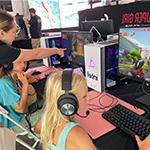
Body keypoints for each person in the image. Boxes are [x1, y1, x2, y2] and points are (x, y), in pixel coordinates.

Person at [34, 70, 150, 150]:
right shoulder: (76, 133)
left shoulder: (46, 117)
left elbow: (37, 129)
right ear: (68, 103)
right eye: (84, 96)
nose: (88, 99)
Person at [0, 10, 65, 65]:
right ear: (1, 33)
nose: (16, 35)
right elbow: (36, 53)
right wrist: (57, 50)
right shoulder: (3, 50)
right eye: (14, 32)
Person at [0, 61, 38, 127]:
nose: (23, 64)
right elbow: (20, 109)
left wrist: (25, 81)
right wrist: (25, 84)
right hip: (17, 123)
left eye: (25, 61)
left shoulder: (13, 77)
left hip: (24, 115)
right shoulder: (4, 82)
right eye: (19, 62)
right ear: (8, 64)